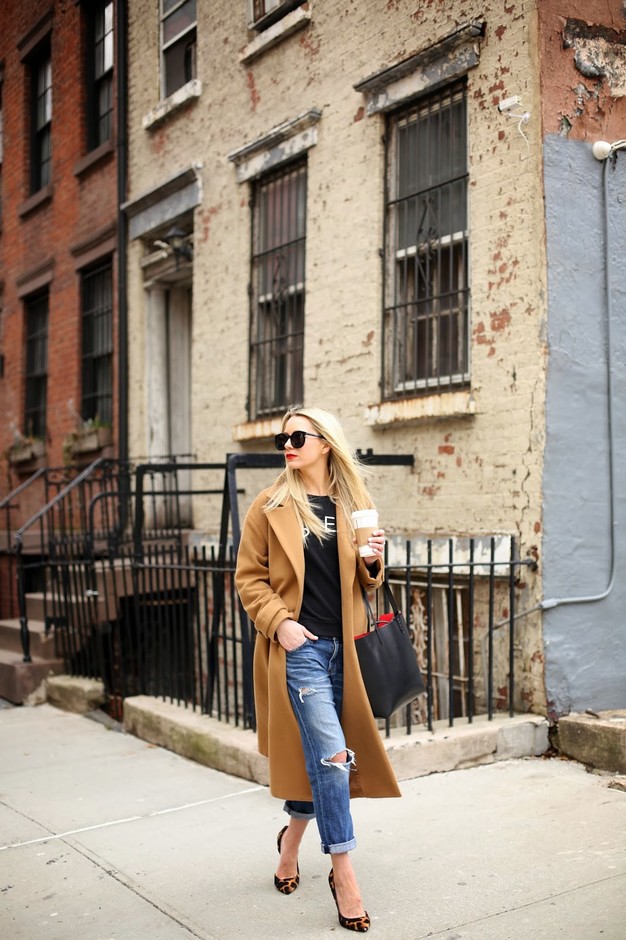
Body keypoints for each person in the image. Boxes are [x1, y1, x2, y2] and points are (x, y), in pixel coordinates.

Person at [235, 407, 401, 933]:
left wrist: (372, 561)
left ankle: (290, 844)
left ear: (325, 443)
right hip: (300, 649)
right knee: (332, 758)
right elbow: (248, 579)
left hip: (346, 649)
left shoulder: (353, 503)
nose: (287, 444)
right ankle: (344, 875)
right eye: (282, 438)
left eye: (297, 437)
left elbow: (366, 580)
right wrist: (280, 623)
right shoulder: (270, 505)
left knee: (319, 759)